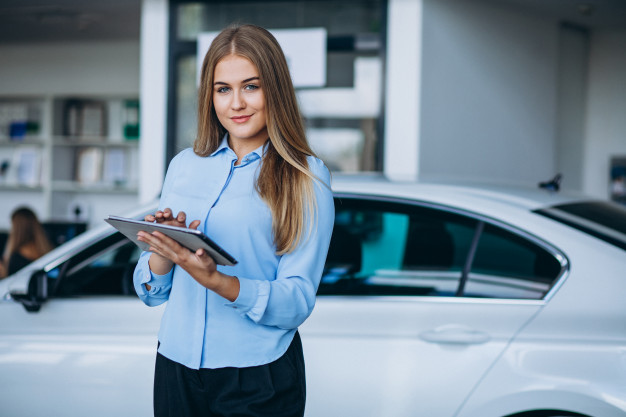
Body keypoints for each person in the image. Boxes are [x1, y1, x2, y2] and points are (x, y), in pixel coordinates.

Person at [132, 23, 334, 417]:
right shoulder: (184, 166)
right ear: (210, 96)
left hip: (258, 375)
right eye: (223, 89)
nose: (236, 103)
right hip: (175, 365)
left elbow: (296, 301)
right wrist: (163, 252)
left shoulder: (306, 175)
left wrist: (218, 282)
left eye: (251, 86)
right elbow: (152, 292)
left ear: (274, 89)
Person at [0, 207, 53, 278]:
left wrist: (4, 272)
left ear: (16, 229)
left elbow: (11, 284)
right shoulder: (48, 251)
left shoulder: (16, 258)